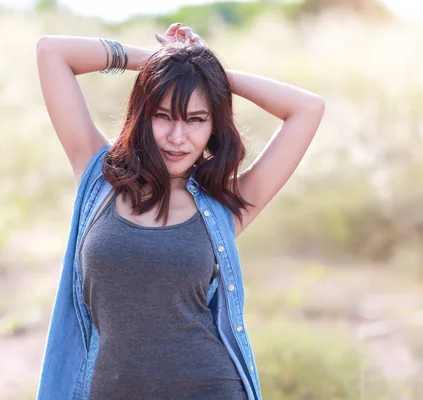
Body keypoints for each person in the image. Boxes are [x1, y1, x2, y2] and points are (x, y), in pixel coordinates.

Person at [35, 22, 324, 400]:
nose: (177, 136)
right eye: (163, 115)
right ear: (143, 115)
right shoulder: (100, 180)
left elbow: (307, 108)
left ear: (212, 126)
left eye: (196, 119)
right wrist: (162, 62)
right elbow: (51, 52)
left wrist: (208, 72)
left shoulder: (223, 207)